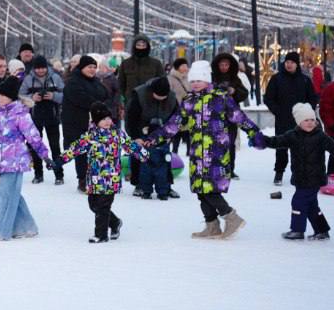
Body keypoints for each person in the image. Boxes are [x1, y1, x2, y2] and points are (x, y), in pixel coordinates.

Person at [144, 61, 267, 240]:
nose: (195, 84)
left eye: (199, 80)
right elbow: (175, 124)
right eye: (192, 81)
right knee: (200, 190)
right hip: (197, 151)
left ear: (207, 80)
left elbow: (239, 117)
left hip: (216, 151)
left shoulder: (221, 98)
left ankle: (231, 217)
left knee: (210, 189)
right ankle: (212, 226)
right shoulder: (189, 101)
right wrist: (155, 138)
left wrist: (254, 133)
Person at [267, 103, 334, 241]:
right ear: (299, 122)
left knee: (299, 202)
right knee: (312, 205)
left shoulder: (320, 137)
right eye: (306, 120)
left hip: (314, 178)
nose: (310, 123)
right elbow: (276, 142)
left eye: (312, 120)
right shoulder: (292, 136)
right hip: (300, 178)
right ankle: (322, 230)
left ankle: (297, 230)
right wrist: (260, 140)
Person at [0, 75, 49, 240]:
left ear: (12, 97)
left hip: (16, 162)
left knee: (3, 194)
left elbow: (33, 137)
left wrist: (44, 155)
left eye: (3, 95)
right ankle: (26, 227)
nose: (0, 98)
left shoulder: (20, 115)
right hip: (1, 162)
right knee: (13, 194)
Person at [60, 103, 143, 243]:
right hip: (94, 177)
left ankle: (101, 234)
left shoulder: (118, 134)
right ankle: (115, 222)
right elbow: (75, 149)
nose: (107, 122)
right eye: (103, 119)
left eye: (108, 118)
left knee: (103, 206)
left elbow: (132, 146)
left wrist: (145, 155)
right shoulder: (90, 136)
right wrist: (59, 161)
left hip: (111, 177)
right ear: (95, 121)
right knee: (94, 205)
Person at [263, 52, 319, 185]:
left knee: (301, 149)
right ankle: (279, 173)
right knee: (281, 147)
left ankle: (299, 174)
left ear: (296, 64)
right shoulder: (277, 79)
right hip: (283, 119)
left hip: (301, 122)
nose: (289, 65)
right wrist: (277, 111)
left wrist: (307, 113)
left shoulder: (304, 80)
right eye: (287, 62)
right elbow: (268, 98)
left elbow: (312, 98)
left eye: (292, 62)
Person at [124, 76, 180, 199]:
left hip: (162, 132)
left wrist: (170, 133)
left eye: (163, 96)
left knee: (165, 159)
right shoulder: (139, 95)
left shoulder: (171, 98)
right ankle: (139, 185)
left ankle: (166, 185)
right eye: (158, 96)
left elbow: (175, 118)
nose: (161, 98)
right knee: (139, 157)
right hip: (141, 130)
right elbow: (130, 118)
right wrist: (135, 136)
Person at [61, 55, 109, 191]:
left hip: (93, 122)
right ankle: (82, 180)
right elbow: (81, 99)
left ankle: (96, 177)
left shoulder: (95, 81)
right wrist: (97, 102)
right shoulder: (73, 82)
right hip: (76, 122)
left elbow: (105, 93)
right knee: (82, 151)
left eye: (94, 67)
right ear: (82, 67)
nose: (92, 70)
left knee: (97, 150)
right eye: (90, 67)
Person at [19, 56, 64, 185]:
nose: (40, 71)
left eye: (43, 68)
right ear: (34, 68)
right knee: (35, 145)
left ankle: (59, 174)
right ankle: (38, 174)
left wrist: (54, 96)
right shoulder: (28, 79)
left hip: (52, 116)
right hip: (35, 117)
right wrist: (32, 98)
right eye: (37, 68)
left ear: (47, 67)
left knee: (55, 146)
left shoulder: (55, 77)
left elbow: (66, 94)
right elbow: (20, 96)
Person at [116, 35, 163, 109]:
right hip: (131, 103)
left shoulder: (156, 64)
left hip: (150, 103)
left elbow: (162, 82)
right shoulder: (126, 63)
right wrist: (124, 98)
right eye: (138, 45)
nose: (141, 47)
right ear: (134, 46)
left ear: (148, 47)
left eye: (143, 45)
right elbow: (121, 84)